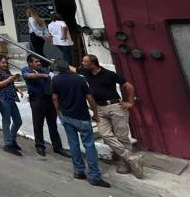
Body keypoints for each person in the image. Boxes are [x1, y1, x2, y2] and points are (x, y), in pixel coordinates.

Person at [78, 54, 143, 178]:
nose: (82, 64)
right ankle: (131, 158)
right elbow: (72, 69)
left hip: (115, 106)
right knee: (104, 134)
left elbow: (128, 86)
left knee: (122, 136)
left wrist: (130, 102)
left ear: (93, 63)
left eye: (85, 62)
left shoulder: (109, 74)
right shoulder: (86, 72)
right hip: (99, 108)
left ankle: (126, 164)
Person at [51, 59, 110, 188]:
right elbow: (89, 97)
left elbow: (55, 98)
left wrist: (58, 112)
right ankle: (94, 175)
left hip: (66, 115)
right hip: (82, 116)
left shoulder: (55, 80)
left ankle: (79, 171)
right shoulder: (79, 79)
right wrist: (95, 113)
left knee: (74, 145)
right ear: (68, 68)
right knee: (89, 145)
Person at [21, 54, 70, 157]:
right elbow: (28, 76)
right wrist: (44, 76)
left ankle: (57, 147)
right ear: (30, 63)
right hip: (37, 100)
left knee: (52, 124)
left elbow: (54, 75)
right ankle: (40, 146)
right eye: (36, 61)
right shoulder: (26, 70)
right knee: (38, 124)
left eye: (39, 61)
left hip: (49, 99)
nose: (39, 63)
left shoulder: (44, 70)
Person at [0, 54, 23, 155]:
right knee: (6, 121)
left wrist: (17, 89)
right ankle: (8, 143)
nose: (5, 64)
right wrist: (8, 80)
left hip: (11, 98)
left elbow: (10, 84)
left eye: (6, 62)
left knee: (18, 121)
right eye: (3, 63)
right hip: (3, 98)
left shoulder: (7, 71)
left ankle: (12, 139)